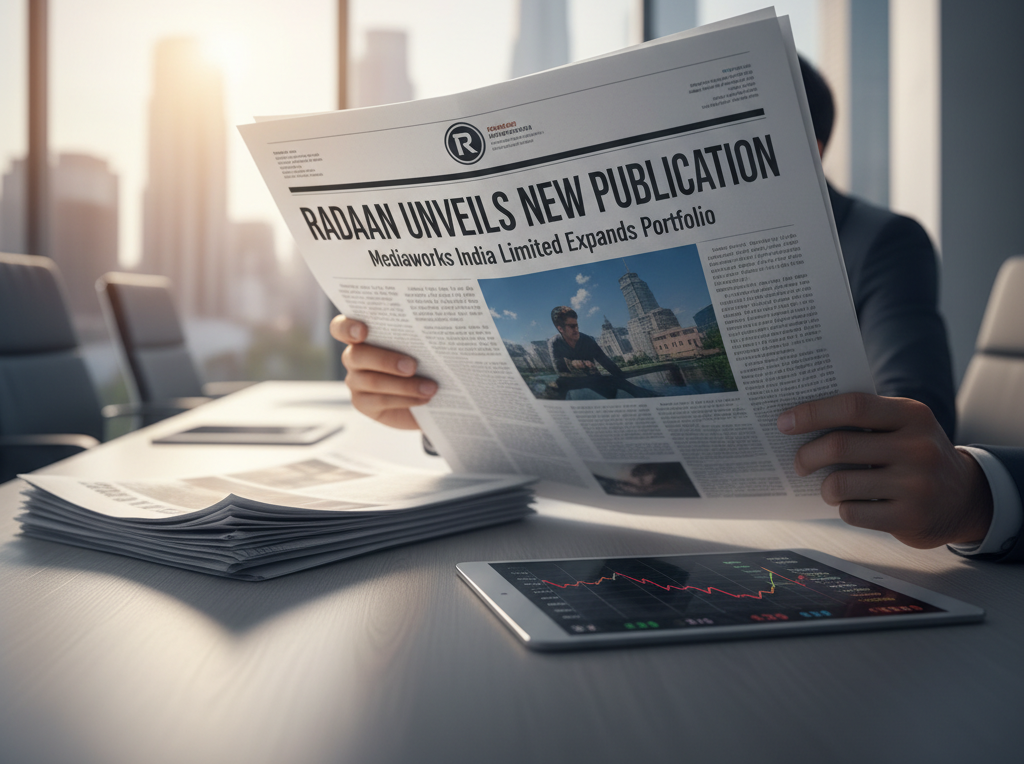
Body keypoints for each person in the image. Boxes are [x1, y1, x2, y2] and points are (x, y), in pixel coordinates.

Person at [331, 58, 1023, 563]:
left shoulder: (883, 240)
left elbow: (920, 413)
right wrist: (432, 402)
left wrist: (954, 487)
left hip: (825, 547)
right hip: (631, 539)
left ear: (809, 153)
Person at [545, 306, 657, 400]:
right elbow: (559, 368)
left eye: (576, 325)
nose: (576, 329)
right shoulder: (554, 342)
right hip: (571, 383)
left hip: (593, 380)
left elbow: (605, 361)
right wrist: (574, 363)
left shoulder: (587, 339)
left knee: (621, 384)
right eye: (572, 326)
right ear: (560, 328)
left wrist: (620, 375)